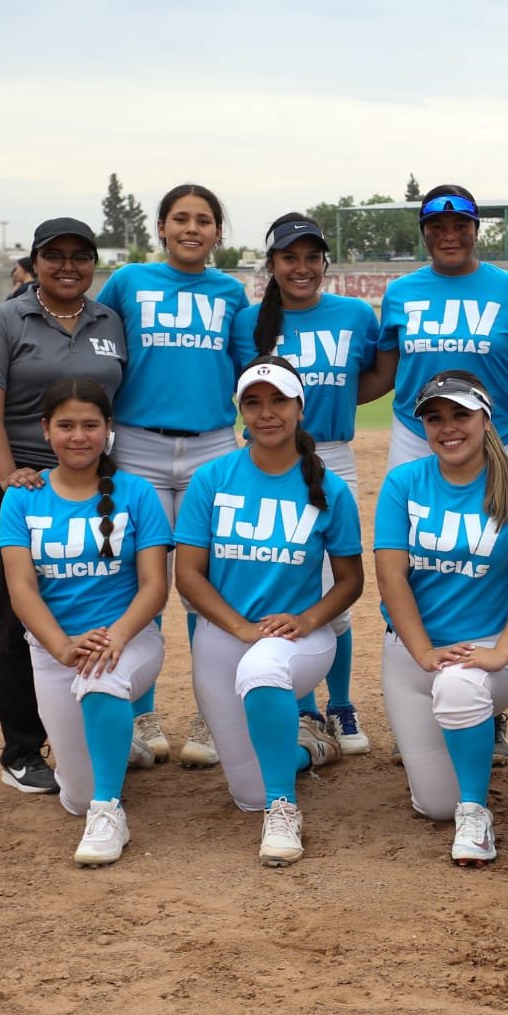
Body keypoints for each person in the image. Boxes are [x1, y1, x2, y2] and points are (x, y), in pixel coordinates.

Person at [174, 357, 362, 865]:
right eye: (253, 403)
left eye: (278, 400)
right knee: (246, 793)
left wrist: (307, 620)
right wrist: (237, 626)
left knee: (263, 669)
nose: (266, 413)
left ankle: (284, 807)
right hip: (224, 635)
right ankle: (308, 749)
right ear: (240, 412)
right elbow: (187, 574)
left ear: (299, 408)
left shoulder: (329, 486)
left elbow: (351, 581)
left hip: (299, 639)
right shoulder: (213, 479)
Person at [0, 217, 129, 795]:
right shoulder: (4, 320)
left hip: (94, 482)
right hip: (26, 485)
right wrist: (9, 475)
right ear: (34, 261)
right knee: (20, 610)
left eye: (80, 256)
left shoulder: (110, 320)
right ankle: (23, 748)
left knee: (98, 595)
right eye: (53, 255)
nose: (68, 266)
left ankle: (96, 726)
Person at [375, 182, 508, 764]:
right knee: (412, 557)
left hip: (491, 435)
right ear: (424, 232)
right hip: (413, 435)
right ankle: (416, 682)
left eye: (460, 225)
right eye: (437, 226)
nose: (449, 235)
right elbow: (385, 370)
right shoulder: (402, 291)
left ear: (476, 229)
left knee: (490, 553)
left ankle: (489, 704)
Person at [97, 183, 251, 770]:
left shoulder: (231, 291)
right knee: (139, 579)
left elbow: (244, 369)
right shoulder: (129, 282)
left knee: (210, 580)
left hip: (212, 442)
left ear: (217, 233)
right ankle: (141, 712)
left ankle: (212, 717)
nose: (192, 228)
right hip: (137, 442)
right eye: (180, 218)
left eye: (205, 220)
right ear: (161, 227)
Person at [373, 371, 508, 865]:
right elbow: (391, 578)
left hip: (486, 652)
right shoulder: (404, 482)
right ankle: (467, 741)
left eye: (460, 415)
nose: (448, 428)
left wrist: (501, 651)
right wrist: (425, 652)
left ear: (485, 419)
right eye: (435, 418)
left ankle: (475, 812)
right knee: (433, 806)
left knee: (458, 687)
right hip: (412, 653)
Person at [0, 379, 171, 866]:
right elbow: (21, 588)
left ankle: (109, 812)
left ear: (109, 429)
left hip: (127, 642)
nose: (79, 436)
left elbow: (155, 586)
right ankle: (119, 749)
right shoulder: (22, 497)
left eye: (90, 425)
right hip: (55, 650)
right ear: (45, 430)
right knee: (72, 795)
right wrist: (60, 646)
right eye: (66, 425)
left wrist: (114, 638)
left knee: (102, 684)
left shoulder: (137, 493)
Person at [230, 214, 383, 756]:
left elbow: (379, 372)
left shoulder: (355, 314)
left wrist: (337, 400)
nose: (301, 267)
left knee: (332, 593)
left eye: (311, 257)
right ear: (271, 264)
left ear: (324, 263)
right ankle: (301, 708)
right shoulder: (249, 321)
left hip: (331, 458)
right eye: (289, 257)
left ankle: (339, 704)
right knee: (279, 583)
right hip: (264, 461)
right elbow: (239, 385)